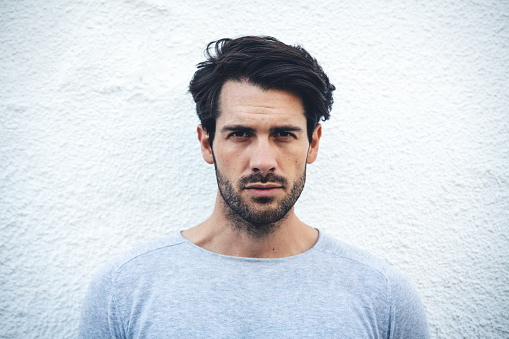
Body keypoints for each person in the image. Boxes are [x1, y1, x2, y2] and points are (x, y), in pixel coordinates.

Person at [79, 36, 429, 338]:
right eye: (240, 134)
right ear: (206, 143)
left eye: (284, 134)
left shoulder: (383, 296)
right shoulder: (124, 289)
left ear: (313, 143)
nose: (263, 161)